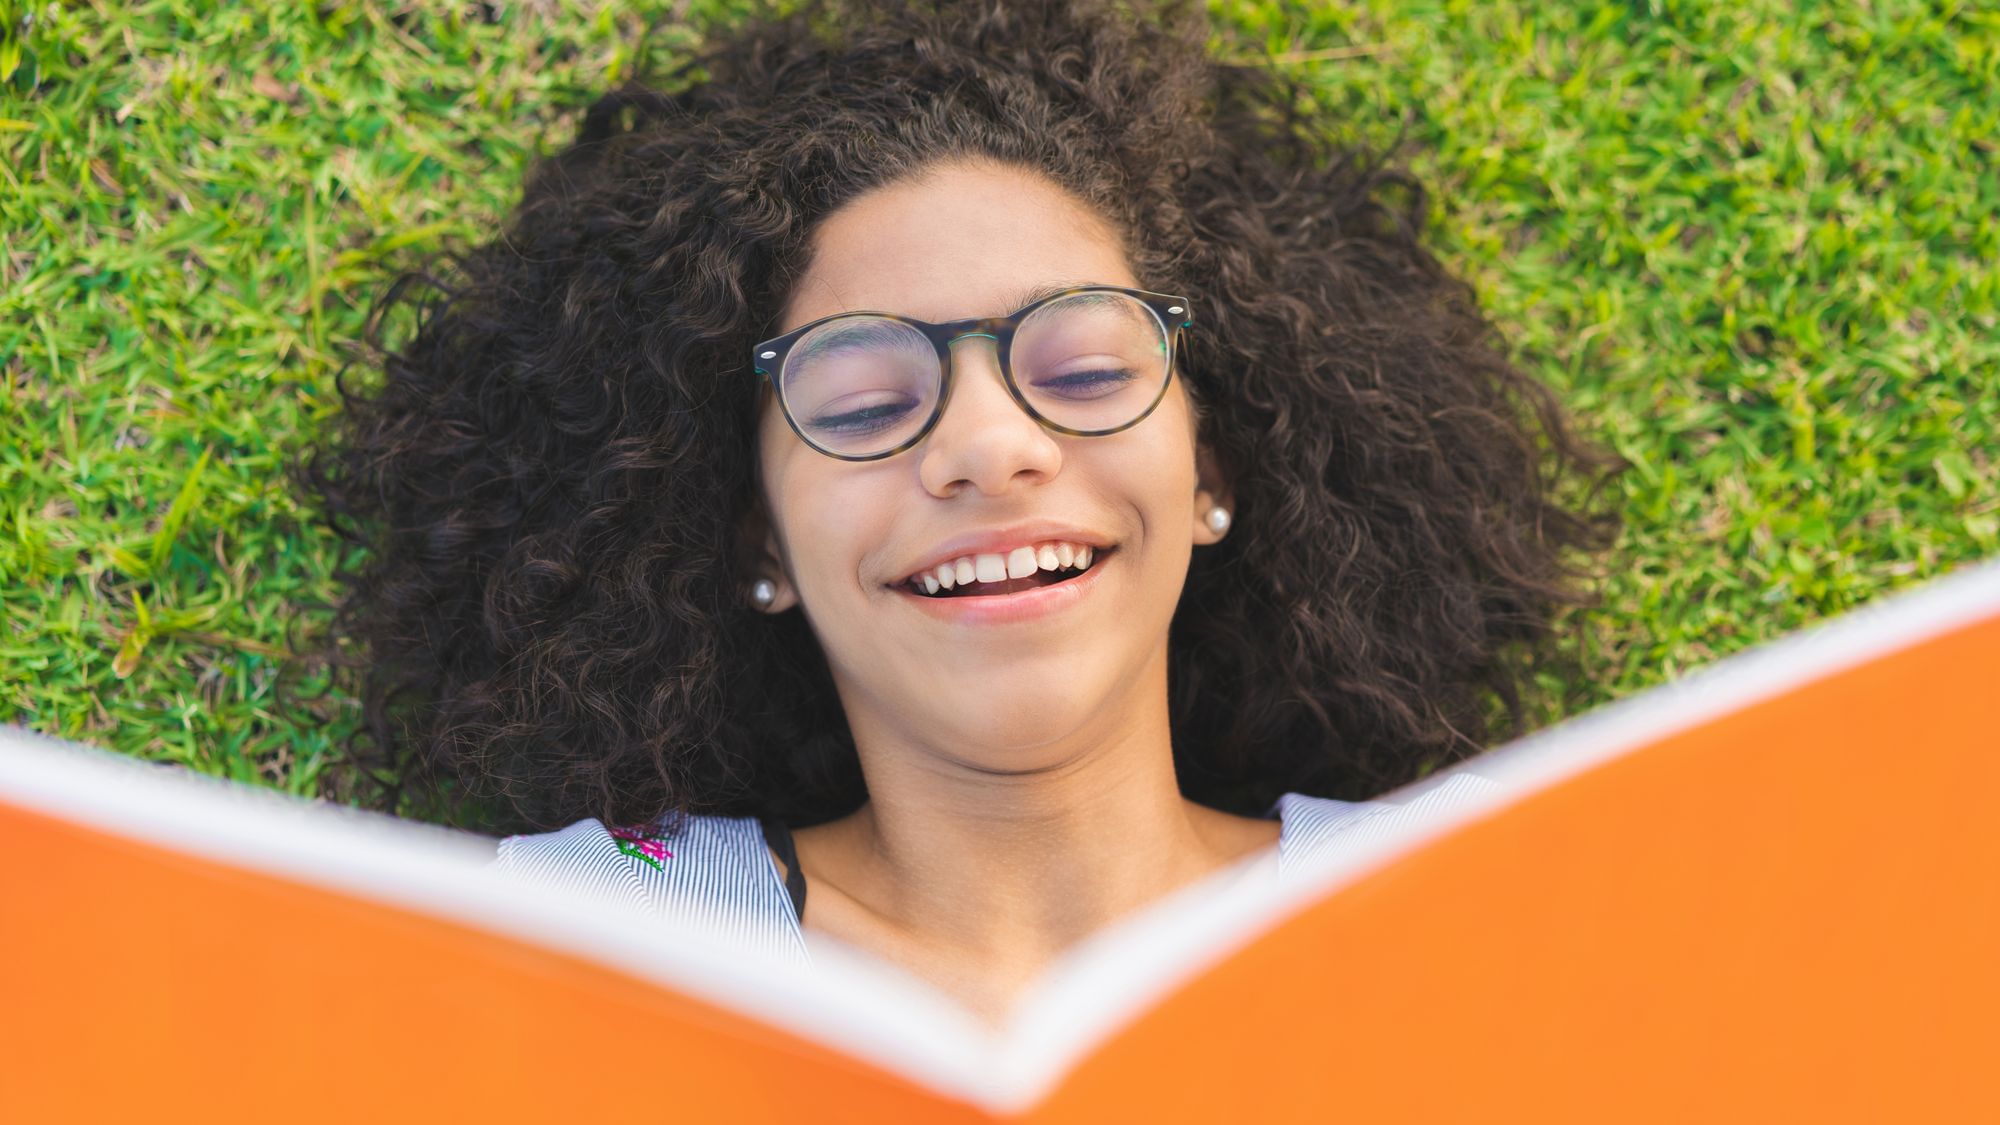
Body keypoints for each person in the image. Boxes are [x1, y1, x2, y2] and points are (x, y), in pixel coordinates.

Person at [294, 0, 1622, 1025]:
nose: (990, 448)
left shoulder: (1485, 905)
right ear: (759, 540)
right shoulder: (567, 938)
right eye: (866, 401)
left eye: (1089, 369)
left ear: (1210, 470)